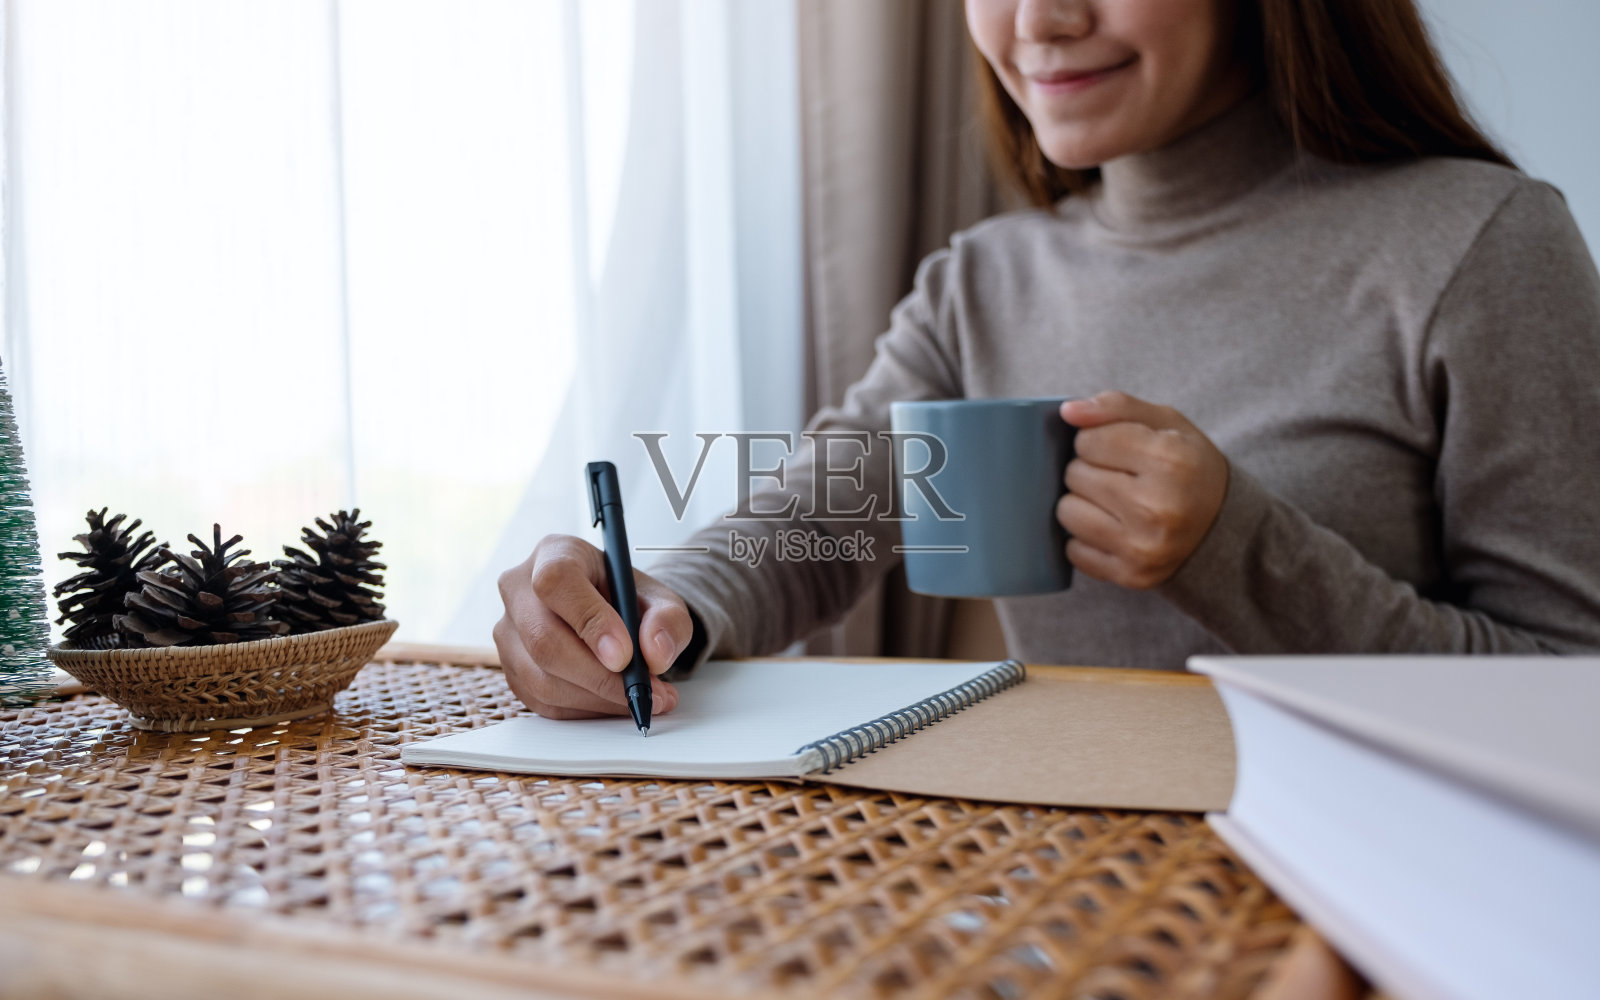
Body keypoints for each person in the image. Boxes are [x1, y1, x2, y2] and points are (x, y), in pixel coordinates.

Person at [494, 0, 1600, 720]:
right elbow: (804, 530)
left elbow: (1570, 701)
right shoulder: (983, 281)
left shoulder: (1479, 245)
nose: (1037, 20)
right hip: (1061, 894)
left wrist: (1236, 548)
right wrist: (649, 607)